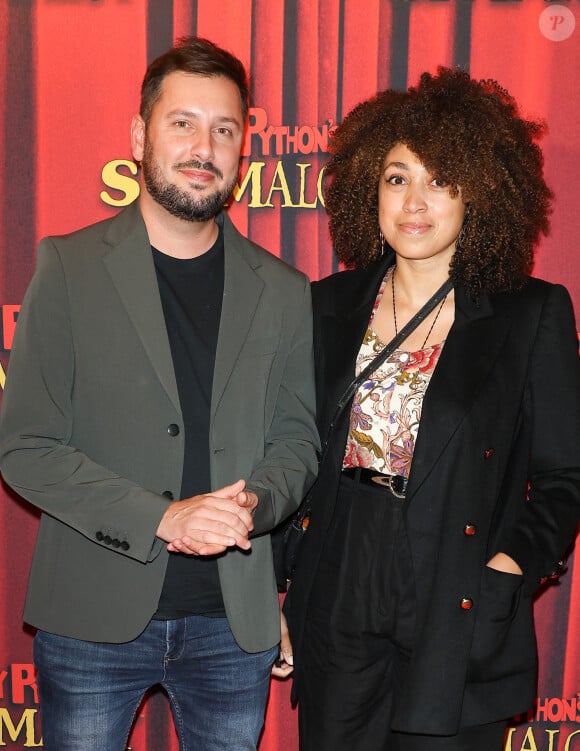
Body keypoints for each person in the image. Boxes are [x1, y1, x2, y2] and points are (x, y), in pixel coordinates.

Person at [0, 36, 318, 751]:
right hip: (90, 617)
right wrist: (164, 517)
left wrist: (251, 504)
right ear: (140, 134)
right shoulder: (68, 266)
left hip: (232, 627)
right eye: (183, 122)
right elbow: (25, 447)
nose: (204, 145)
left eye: (225, 128)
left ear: (244, 148)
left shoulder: (285, 292)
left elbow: (298, 441)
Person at [278, 67, 580, 750]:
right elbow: (289, 451)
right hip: (340, 583)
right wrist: (279, 588)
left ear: (480, 191)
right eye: (397, 177)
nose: (415, 201)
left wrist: (511, 568)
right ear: (368, 188)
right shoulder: (325, 306)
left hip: (455, 591)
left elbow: (565, 477)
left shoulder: (530, 314)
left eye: (441, 179)